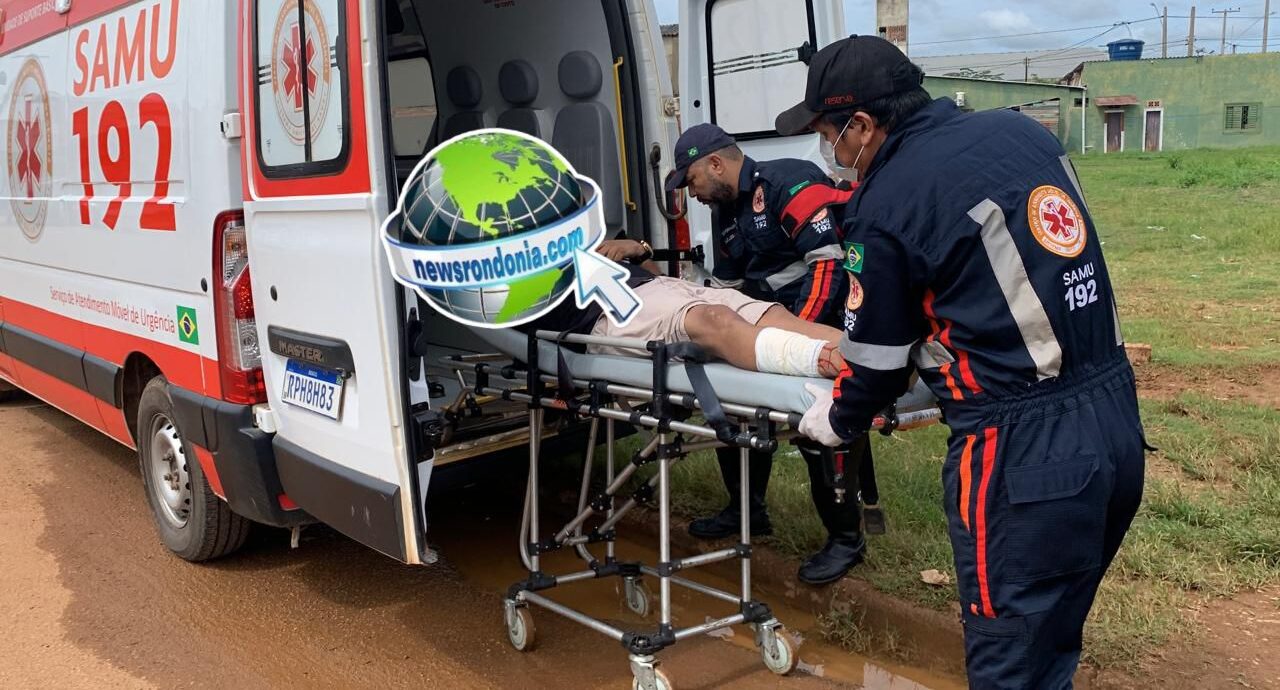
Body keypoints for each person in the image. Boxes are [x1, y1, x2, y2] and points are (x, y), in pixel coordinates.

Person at [780, 36, 1146, 689]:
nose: (829, 153)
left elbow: (875, 362)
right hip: (1116, 419)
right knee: (1053, 637)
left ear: (863, 125)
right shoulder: (1022, 135)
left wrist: (835, 420)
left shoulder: (886, 201)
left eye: (828, 134)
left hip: (1022, 453)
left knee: (1007, 654)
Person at [614, 122, 878, 585]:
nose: (690, 194)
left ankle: (845, 539)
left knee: (820, 427)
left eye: (690, 180)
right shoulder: (727, 213)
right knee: (734, 414)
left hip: (826, 318)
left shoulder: (789, 182)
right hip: (777, 321)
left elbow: (829, 267)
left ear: (715, 163)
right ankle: (747, 511)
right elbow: (729, 291)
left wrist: (797, 345)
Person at [523, 254, 847, 378]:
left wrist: (636, 248)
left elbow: (648, 266)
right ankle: (826, 361)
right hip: (614, 313)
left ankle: (877, 360)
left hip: (661, 285)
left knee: (771, 315)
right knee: (712, 321)